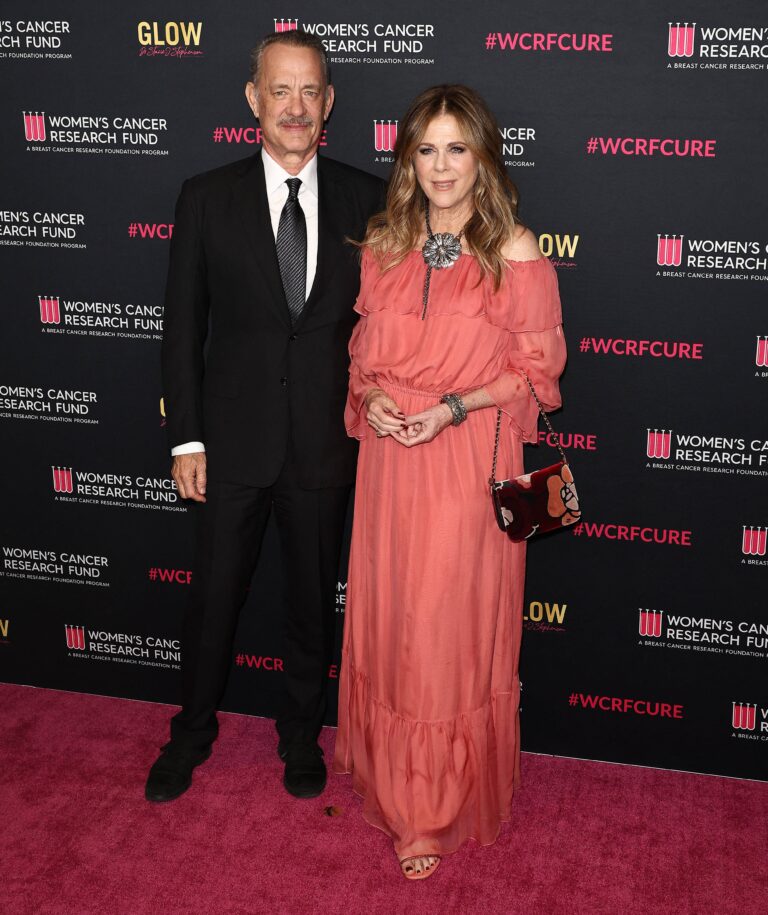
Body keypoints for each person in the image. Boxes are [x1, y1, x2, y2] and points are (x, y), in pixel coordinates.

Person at [333, 85, 567, 879]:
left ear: (483, 157)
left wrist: (453, 407)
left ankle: (428, 809)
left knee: (443, 630)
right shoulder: (383, 243)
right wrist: (378, 398)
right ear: (408, 158)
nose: (440, 165)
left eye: (456, 148)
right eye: (425, 149)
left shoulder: (518, 252)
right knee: (391, 616)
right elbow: (363, 356)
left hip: (469, 462)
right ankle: (386, 771)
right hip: (392, 461)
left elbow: (536, 378)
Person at [146, 30, 384, 803]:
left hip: (323, 446)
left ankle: (300, 737)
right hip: (229, 444)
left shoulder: (368, 199)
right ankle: (189, 732)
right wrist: (186, 436)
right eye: (279, 90)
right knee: (212, 598)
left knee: (314, 604)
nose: (294, 106)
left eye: (309, 90)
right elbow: (183, 328)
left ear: (329, 104)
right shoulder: (205, 196)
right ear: (252, 100)